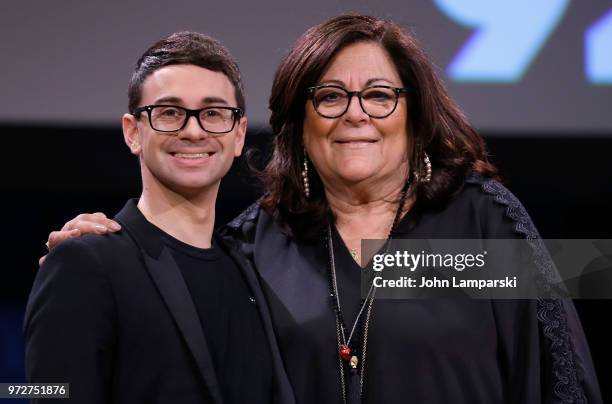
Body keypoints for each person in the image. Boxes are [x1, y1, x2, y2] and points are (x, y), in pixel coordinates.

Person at [42, 15, 602, 404]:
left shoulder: (480, 221)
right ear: (298, 120)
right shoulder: (254, 244)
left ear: (414, 114)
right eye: (330, 97)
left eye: (380, 96)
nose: (355, 114)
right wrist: (95, 251)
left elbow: (569, 342)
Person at [25, 31, 294, 404]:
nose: (193, 130)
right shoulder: (85, 261)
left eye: (213, 113)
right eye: (170, 112)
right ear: (133, 132)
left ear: (238, 135)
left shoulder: (252, 267)